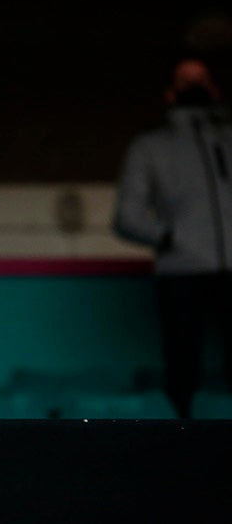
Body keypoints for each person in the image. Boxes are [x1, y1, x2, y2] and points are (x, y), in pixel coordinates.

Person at [112, 55, 232, 418]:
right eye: (185, 79)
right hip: (181, 271)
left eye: (201, 79)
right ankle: (183, 449)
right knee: (183, 366)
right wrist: (170, 237)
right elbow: (126, 216)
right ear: (169, 92)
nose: (193, 86)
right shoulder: (150, 147)